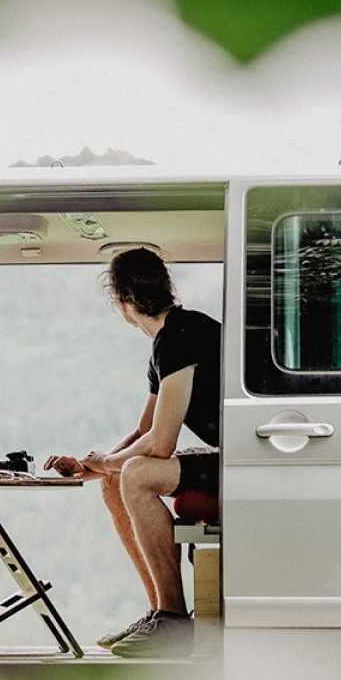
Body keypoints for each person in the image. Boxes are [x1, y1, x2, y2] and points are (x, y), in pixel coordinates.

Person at [45, 247, 220, 658]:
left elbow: (160, 443)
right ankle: (161, 610)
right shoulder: (168, 340)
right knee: (116, 482)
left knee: (136, 473)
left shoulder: (180, 338)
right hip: (223, 458)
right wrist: (97, 466)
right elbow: (144, 428)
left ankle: (175, 620)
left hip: (236, 462)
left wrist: (111, 463)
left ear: (122, 303)